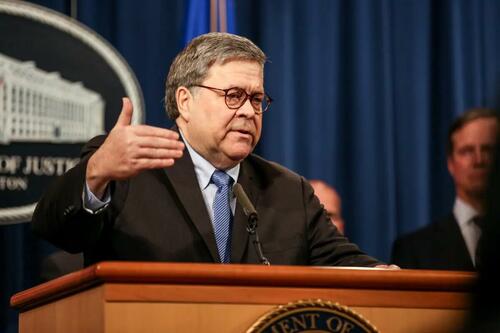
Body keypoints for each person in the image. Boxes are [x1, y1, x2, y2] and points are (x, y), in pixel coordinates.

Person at [32, 32, 384, 268]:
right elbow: (55, 229)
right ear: (185, 101)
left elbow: (353, 268)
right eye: (233, 96)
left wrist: (394, 278)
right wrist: (96, 173)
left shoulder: (290, 191)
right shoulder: (127, 170)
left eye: (257, 99)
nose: (248, 111)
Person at [392, 108, 499, 270]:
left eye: (488, 149)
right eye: (467, 151)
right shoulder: (413, 249)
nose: (479, 160)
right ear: (450, 163)